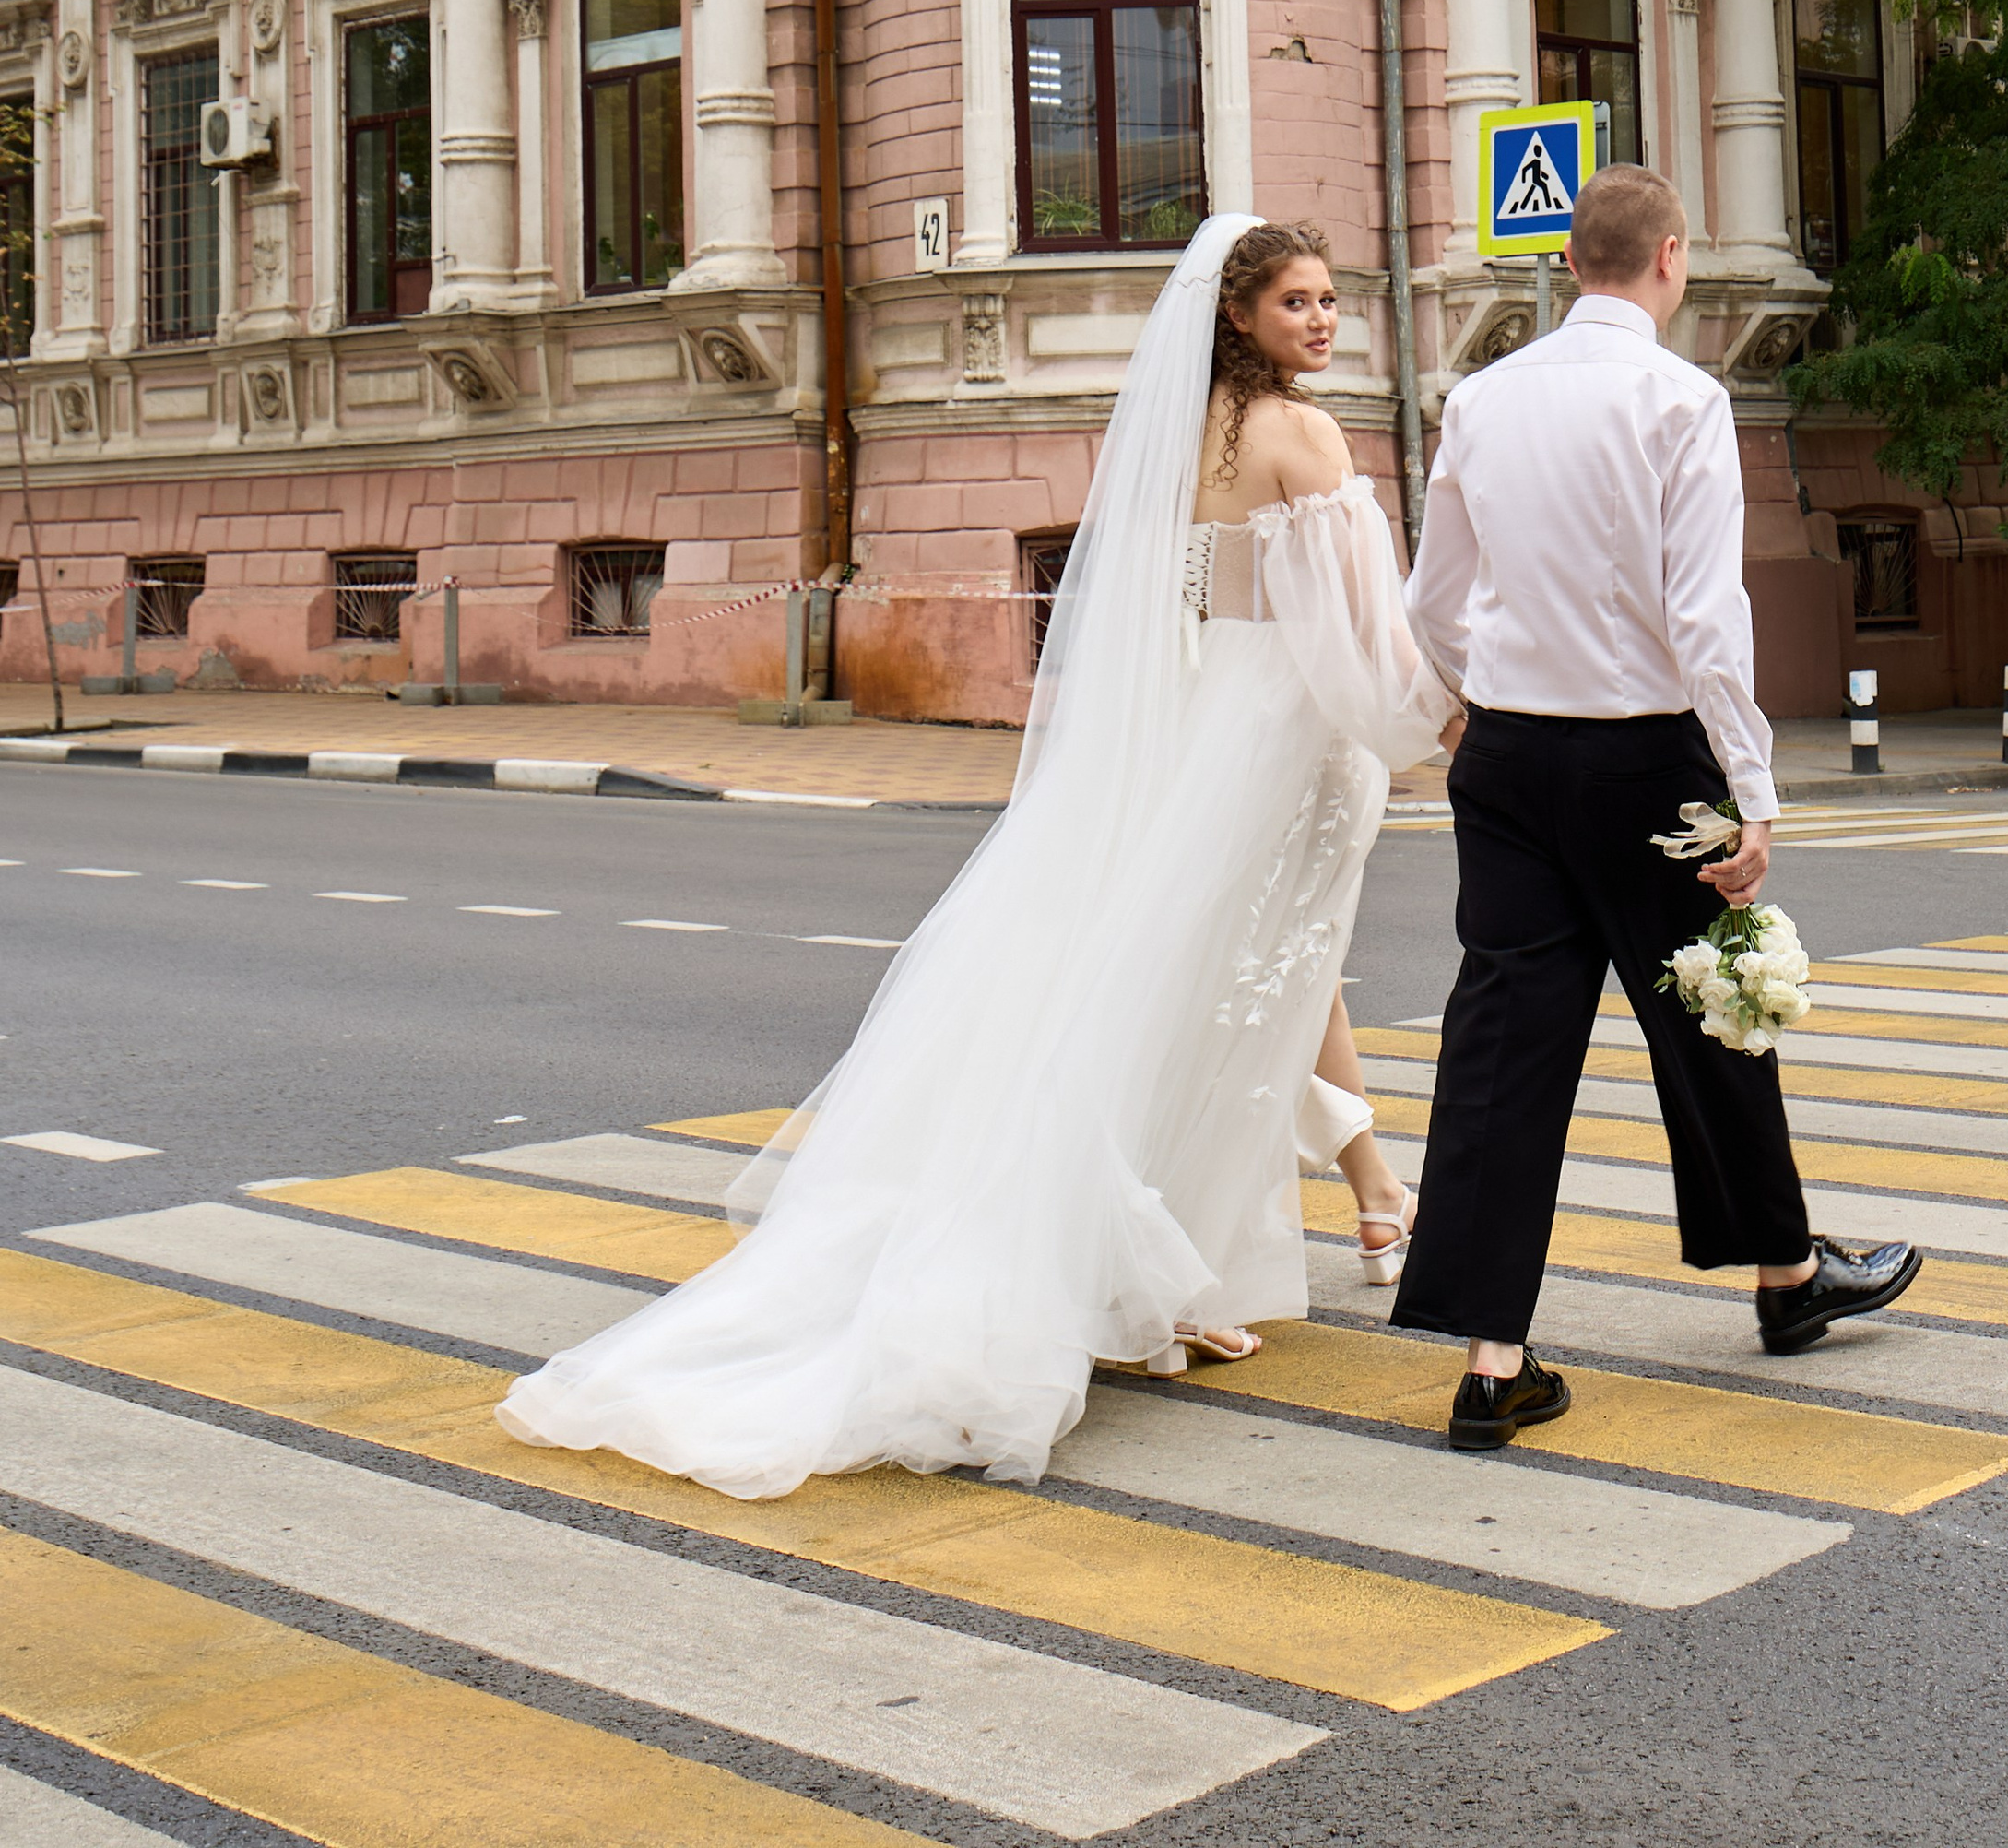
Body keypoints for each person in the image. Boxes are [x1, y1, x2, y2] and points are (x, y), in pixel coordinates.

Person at [499, 212, 1453, 1496]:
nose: (1325, 321)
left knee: (1219, 977)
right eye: (1298, 302)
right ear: (1239, 317)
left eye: (1331, 300)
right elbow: (1350, 632)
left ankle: (1257, 1231)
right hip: (1285, 737)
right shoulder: (1306, 436)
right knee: (1245, 982)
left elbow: (1174, 610)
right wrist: (1433, 718)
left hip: (1197, 729)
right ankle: (1160, 1264)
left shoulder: (1184, 441)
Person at [1389, 160, 1920, 1451]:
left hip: (1508, 759)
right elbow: (1704, 618)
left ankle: (1489, 1357)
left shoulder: (1482, 396)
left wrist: (1476, 705)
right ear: (1672, 258)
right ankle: (1787, 1280)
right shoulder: (1682, 399)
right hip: (1641, 758)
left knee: (1506, 1043)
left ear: (1573, 262)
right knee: (1713, 1014)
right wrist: (1752, 786)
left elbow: (1430, 601)